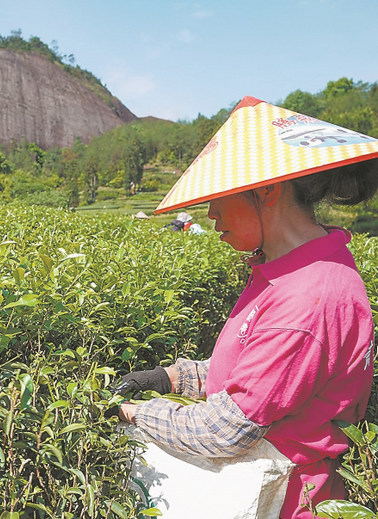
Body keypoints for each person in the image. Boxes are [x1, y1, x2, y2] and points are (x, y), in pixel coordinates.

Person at [116, 96, 378, 518]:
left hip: (277, 501)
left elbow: (226, 429)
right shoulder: (287, 269)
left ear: (267, 190)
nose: (211, 214)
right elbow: (255, 369)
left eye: (219, 197)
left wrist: (132, 414)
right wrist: (170, 377)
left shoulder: (310, 296)